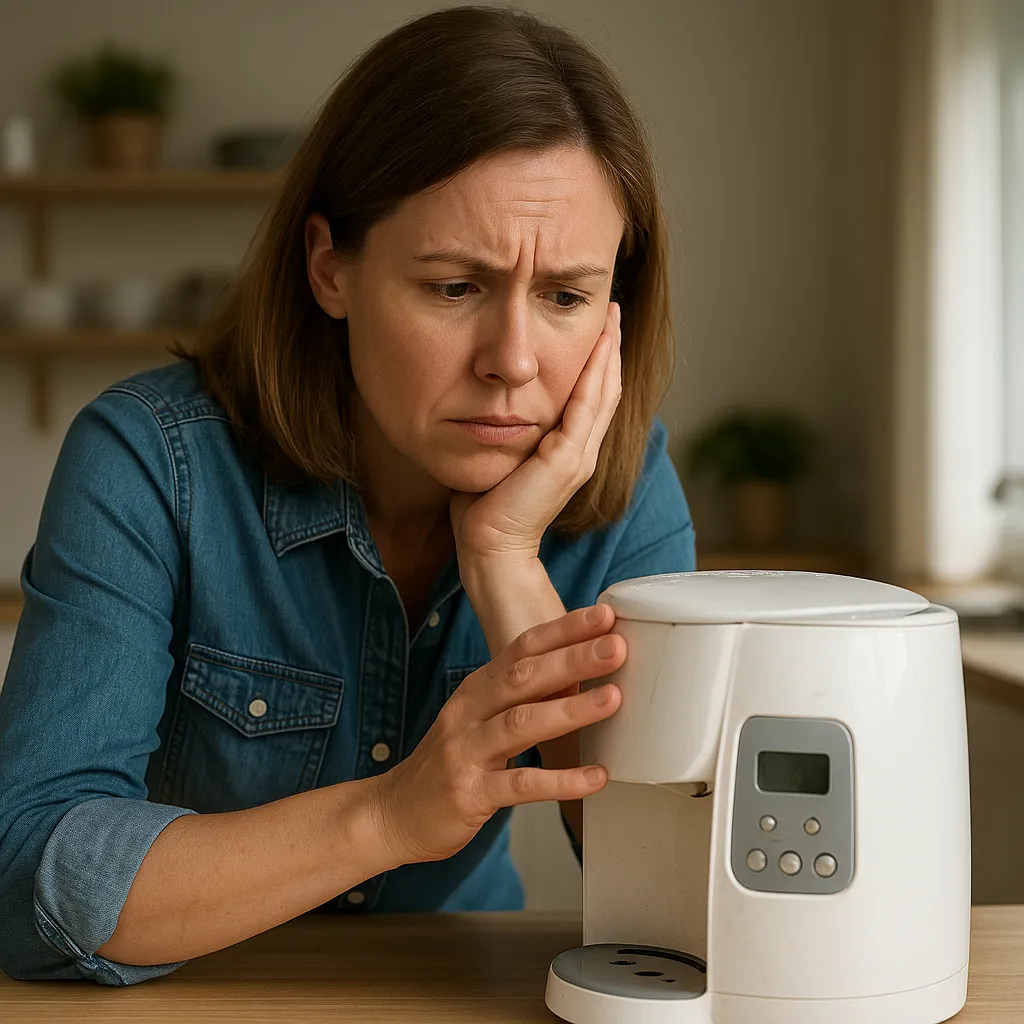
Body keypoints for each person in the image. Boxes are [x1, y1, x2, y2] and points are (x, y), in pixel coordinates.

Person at [0, 4, 695, 985]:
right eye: (455, 287)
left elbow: (681, 901)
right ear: (331, 266)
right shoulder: (152, 461)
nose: (512, 361)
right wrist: (387, 813)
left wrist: (505, 562)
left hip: (445, 987)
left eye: (565, 296)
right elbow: (33, 875)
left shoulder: (626, 489)